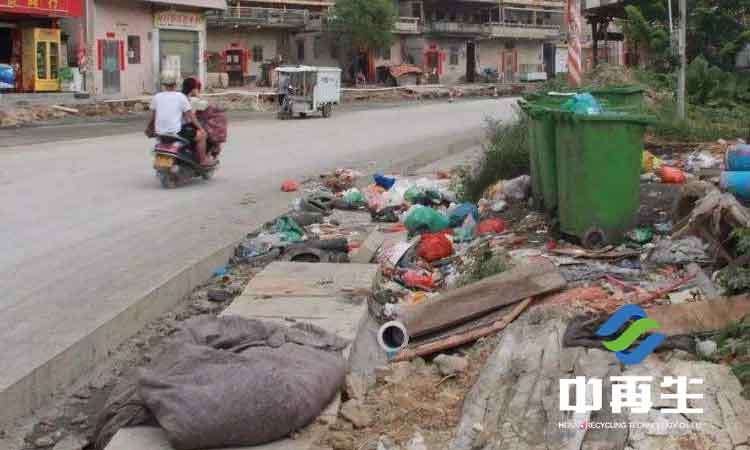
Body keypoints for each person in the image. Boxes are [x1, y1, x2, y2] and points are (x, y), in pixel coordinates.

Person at [145, 73, 213, 167]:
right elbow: (190, 116)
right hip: (176, 131)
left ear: (163, 84)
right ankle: (203, 161)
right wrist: (201, 128)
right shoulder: (180, 96)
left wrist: (148, 128)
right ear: (176, 84)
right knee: (202, 135)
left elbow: (153, 117)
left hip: (160, 132)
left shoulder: (157, 97)